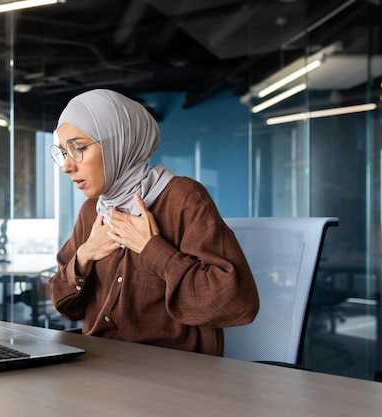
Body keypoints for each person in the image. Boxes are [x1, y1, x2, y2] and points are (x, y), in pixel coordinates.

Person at [48, 89, 259, 356]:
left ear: (118, 143)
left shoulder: (183, 198)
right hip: (101, 366)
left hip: (171, 375)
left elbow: (235, 302)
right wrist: (85, 255)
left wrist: (151, 249)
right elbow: (65, 305)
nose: (67, 166)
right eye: (63, 152)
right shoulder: (93, 210)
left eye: (78, 148)